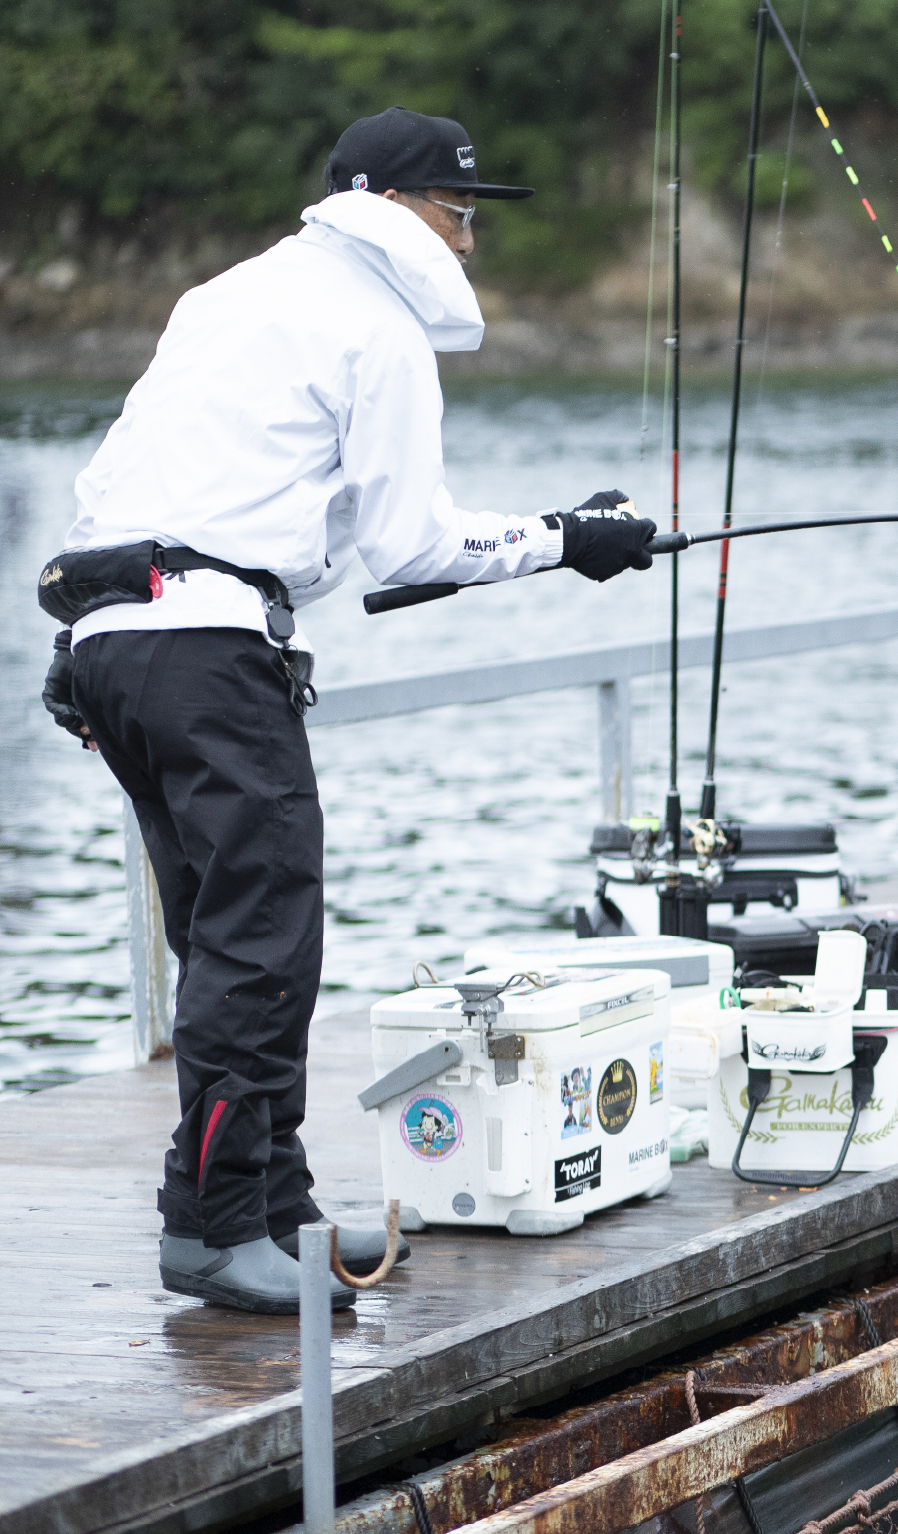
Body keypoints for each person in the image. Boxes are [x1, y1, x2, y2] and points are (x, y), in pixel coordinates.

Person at [37, 107, 660, 1314]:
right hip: (211, 656)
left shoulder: (226, 296)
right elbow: (409, 544)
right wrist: (570, 539)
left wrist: (77, 646)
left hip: (114, 647)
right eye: (462, 213)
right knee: (262, 952)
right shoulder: (377, 329)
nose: (472, 243)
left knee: (228, 939)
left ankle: (276, 1207)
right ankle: (214, 1228)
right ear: (400, 208)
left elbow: (129, 478)